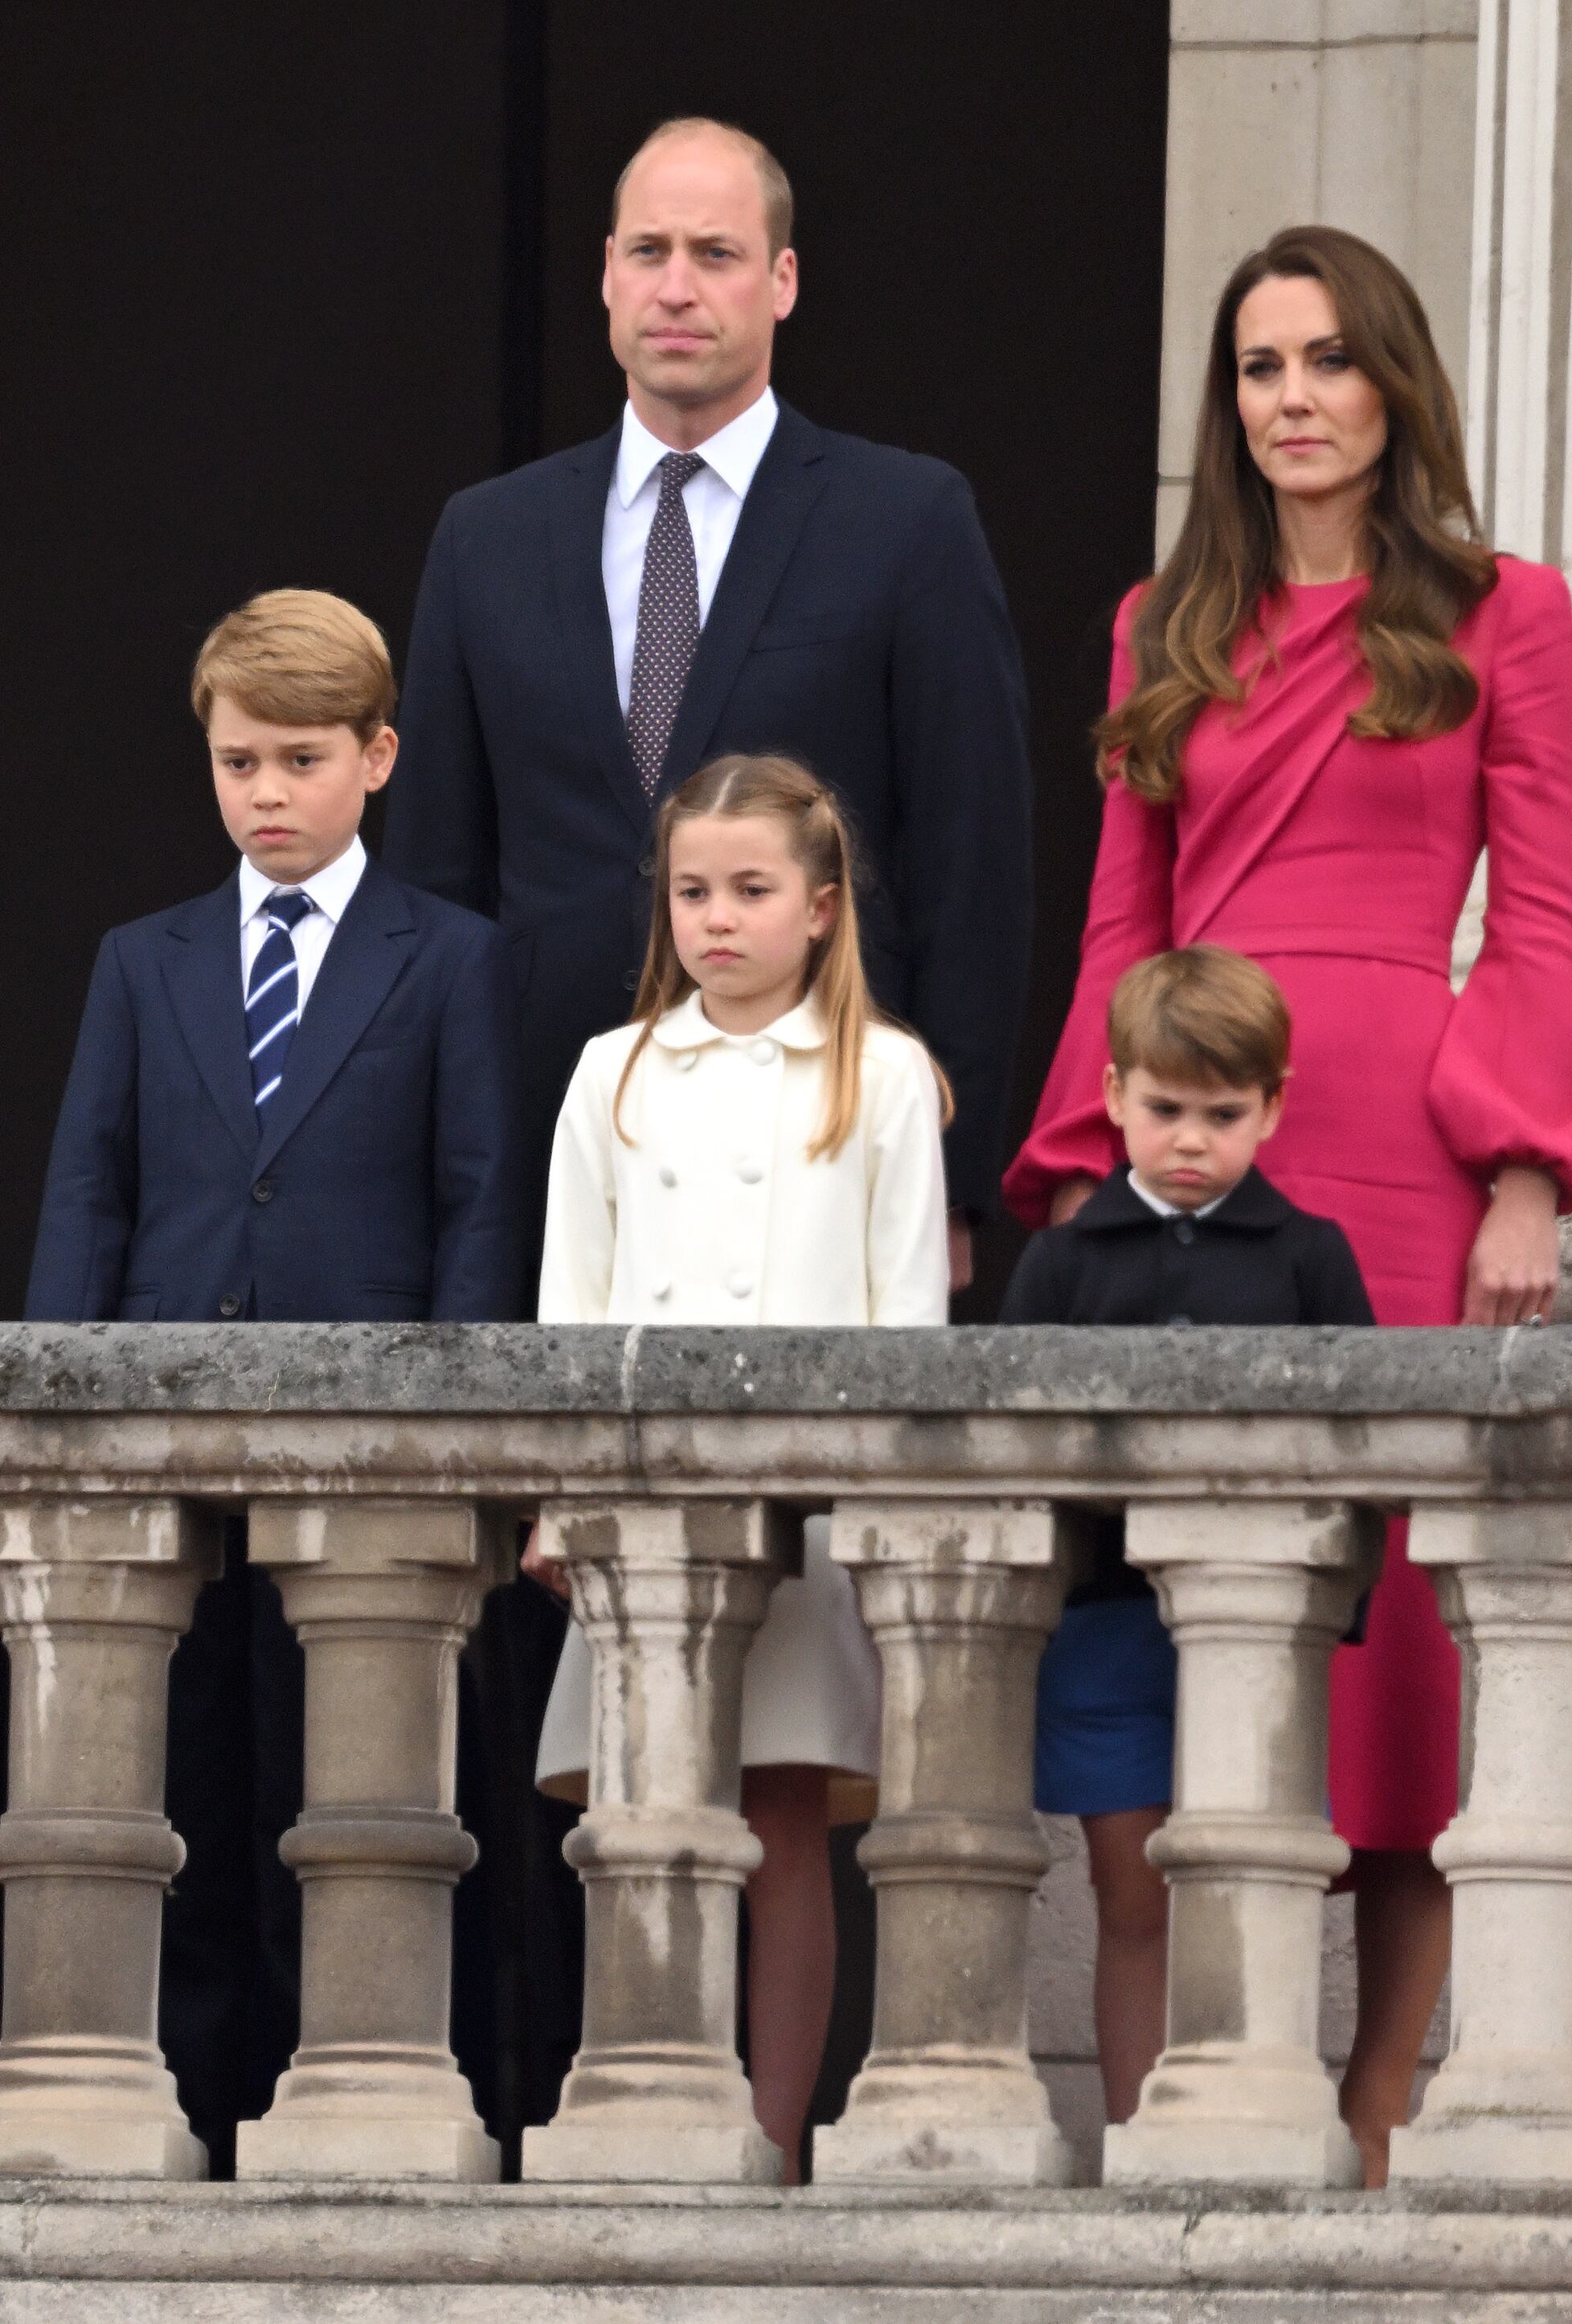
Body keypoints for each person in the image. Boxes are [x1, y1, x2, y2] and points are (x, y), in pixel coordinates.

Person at [1002, 224, 1572, 2183]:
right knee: (1185, 1626)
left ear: (1393, 387)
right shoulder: (1151, 625)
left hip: (1401, 1153)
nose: (1294, 398)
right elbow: (1124, 916)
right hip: (1195, 1132)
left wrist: (1525, 1167)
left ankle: (1369, 2117)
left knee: (1396, 1665)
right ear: (1231, 401)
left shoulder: (1505, 614)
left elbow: (1533, 915)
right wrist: (1093, 1171)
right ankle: (1204, 2096)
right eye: (1262, 366)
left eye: (1331, 361)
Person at [23, 588, 522, 2154]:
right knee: (173, 1789)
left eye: (301, 759)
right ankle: (191, 2107)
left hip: (367, 1462)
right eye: (238, 760)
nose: (265, 793)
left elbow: (476, 1202)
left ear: (377, 757)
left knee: (358, 1791)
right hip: (165, 1456)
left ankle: (351, 2101)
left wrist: (456, 1450)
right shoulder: (141, 958)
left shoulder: (451, 959)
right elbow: (89, 1194)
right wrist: (55, 1420)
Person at [387, 116, 1032, 1293]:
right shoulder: (487, 536)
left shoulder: (906, 521)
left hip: (829, 1147)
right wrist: (444, 1172)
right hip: (552, 1148)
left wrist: (952, 1175)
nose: (676, 287)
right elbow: (437, 876)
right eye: (648, 251)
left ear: (784, 280)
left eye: (717, 254)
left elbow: (974, 865)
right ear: (604, 272)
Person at [526, 751, 949, 2174]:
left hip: (814, 1519)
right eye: (693, 888)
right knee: (646, 1816)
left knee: (783, 1819)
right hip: (642, 1512)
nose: (719, 916)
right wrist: (555, 1500)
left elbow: (908, 1317)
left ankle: (769, 2133)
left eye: (752, 888)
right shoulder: (615, 1066)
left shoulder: (883, 1073)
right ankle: (652, 2110)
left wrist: (893, 1510)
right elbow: (570, 1304)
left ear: (822, 905)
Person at [998, 945, 1373, 2129]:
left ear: (1273, 1105)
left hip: (1266, 1626)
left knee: (1250, 1878)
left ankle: (1251, 2119)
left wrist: (1337, 1608)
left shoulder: (1311, 1254)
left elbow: (1362, 1450)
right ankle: (1134, 2131)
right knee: (1130, 1888)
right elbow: (1009, 1446)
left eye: (1225, 1112)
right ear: (1112, 1096)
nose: (1192, 1138)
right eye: (1165, 1108)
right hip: (1106, 1621)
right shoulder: (1061, 1260)